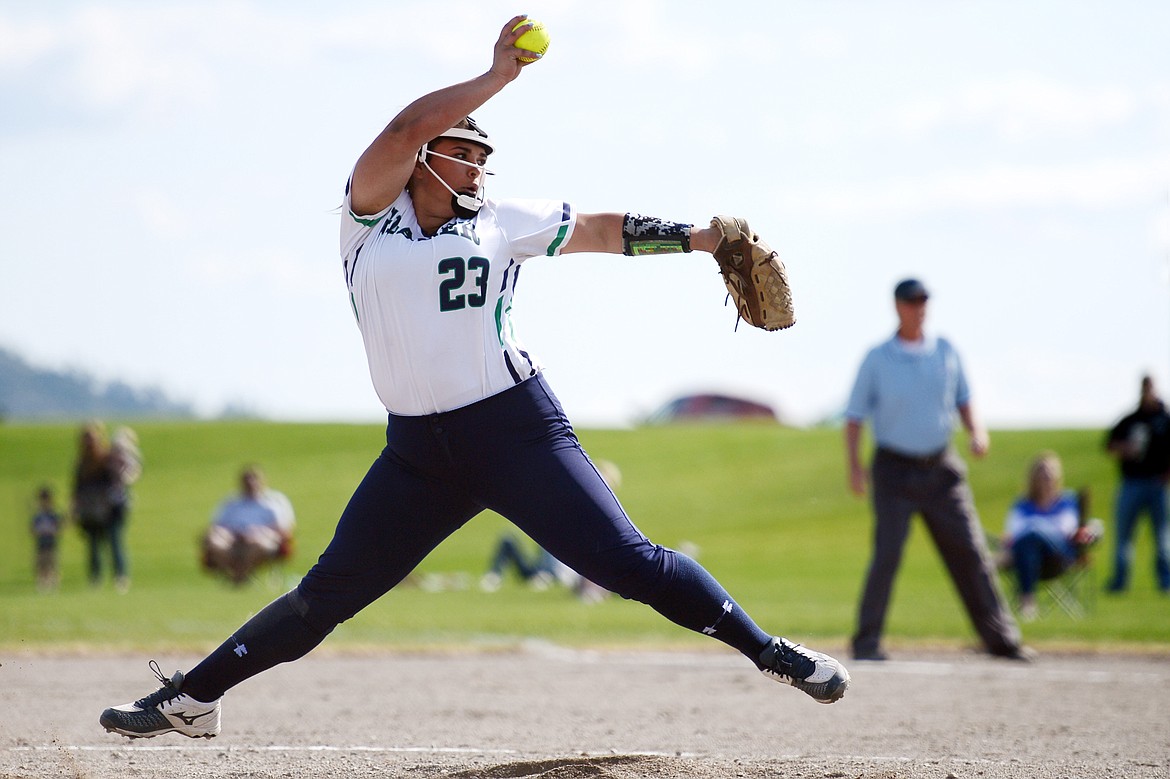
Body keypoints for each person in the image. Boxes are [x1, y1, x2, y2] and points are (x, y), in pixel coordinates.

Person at [99, 16, 849, 741]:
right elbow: (398, 132)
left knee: (630, 563)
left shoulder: (498, 218)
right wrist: (496, 76)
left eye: (483, 158)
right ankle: (192, 699)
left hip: (513, 429)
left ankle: (771, 651)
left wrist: (699, 238)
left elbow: (598, 229)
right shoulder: (366, 218)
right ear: (425, 157)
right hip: (418, 454)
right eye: (464, 153)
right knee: (324, 595)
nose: (479, 167)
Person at [844, 278, 1030, 662]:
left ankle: (1002, 640)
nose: (919, 307)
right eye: (912, 301)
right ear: (898, 306)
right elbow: (854, 416)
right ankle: (866, 642)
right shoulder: (878, 357)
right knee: (888, 554)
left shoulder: (945, 351)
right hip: (894, 468)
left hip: (942, 467)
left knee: (971, 551)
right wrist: (855, 467)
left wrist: (977, 432)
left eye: (924, 300)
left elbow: (964, 398)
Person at [1103, 374, 1170, 593]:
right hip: (1132, 483)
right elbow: (1109, 444)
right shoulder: (1131, 419)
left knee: (1162, 537)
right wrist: (1126, 449)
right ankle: (1120, 582)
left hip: (1157, 485)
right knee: (1124, 536)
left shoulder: (1164, 420)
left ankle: (1165, 581)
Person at [999, 452, 1081, 621]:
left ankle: (1025, 598)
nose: (1047, 475)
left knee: (1033, 532)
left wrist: (1036, 525)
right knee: (1029, 545)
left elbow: (1067, 528)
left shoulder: (1067, 500)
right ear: (1034, 476)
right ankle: (1028, 602)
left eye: (1051, 470)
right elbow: (1012, 530)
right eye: (1042, 470)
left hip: (1059, 554)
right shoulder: (1022, 503)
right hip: (1029, 555)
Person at [202, 466, 296, 585]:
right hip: (233, 540)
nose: (251, 484)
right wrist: (233, 535)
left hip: (261, 538)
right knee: (214, 541)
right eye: (247, 480)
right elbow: (217, 525)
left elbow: (283, 529)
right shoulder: (231, 503)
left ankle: (240, 576)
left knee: (259, 542)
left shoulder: (273, 502)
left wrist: (257, 532)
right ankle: (237, 574)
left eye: (254, 479)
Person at [72, 421, 132, 592]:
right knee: (93, 546)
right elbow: (77, 488)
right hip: (91, 510)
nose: (89, 443)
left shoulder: (107, 458)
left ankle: (121, 577)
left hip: (112, 509)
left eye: (92, 438)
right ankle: (95, 579)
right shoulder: (81, 463)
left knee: (115, 543)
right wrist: (75, 507)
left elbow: (119, 480)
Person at [31, 485, 64, 592]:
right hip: (41, 545)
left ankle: (53, 583)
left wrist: (53, 530)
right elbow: (33, 530)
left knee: (52, 564)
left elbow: (58, 528)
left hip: (51, 544)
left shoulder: (53, 515)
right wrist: (39, 531)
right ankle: (42, 584)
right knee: (41, 565)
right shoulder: (38, 516)